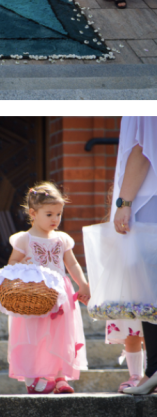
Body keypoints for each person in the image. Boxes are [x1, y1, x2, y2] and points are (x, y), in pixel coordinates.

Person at [0, 182, 90, 394]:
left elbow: (72, 264)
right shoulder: (25, 239)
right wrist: (26, 272)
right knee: (34, 335)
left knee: (60, 336)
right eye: (49, 214)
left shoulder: (62, 239)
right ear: (33, 213)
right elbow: (12, 263)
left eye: (59, 214)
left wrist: (83, 284)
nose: (55, 219)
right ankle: (33, 378)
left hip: (60, 294)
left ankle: (60, 378)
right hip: (34, 293)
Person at [111, 117, 157, 394]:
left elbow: (143, 151)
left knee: (150, 289)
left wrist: (124, 202)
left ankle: (153, 372)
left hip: (150, 200)